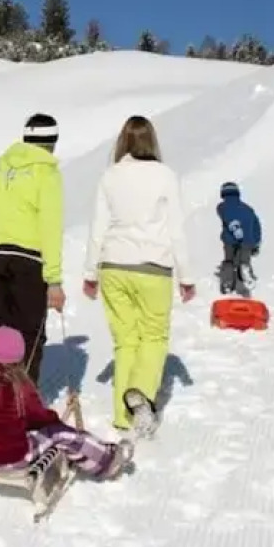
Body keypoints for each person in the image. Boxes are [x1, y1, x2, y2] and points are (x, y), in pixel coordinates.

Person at [81, 115, 195, 437]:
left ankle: (123, 416)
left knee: (126, 341)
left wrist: (90, 273)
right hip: (153, 267)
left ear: (123, 142)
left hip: (113, 266)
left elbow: (97, 228)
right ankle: (141, 392)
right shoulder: (165, 175)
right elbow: (176, 229)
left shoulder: (110, 176)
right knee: (154, 337)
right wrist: (186, 276)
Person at [0, 326, 132, 479]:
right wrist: (52, 422)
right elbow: (38, 418)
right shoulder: (21, 386)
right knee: (63, 435)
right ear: (19, 356)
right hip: (15, 456)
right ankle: (108, 460)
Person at [0, 112, 66, 401]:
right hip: (28, 259)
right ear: (53, 142)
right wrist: (54, 280)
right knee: (30, 332)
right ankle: (23, 401)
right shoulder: (47, 173)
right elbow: (50, 228)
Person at [216, 181, 262, 296]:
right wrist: (256, 242)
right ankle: (245, 272)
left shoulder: (222, 207)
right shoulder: (248, 208)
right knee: (244, 259)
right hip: (248, 240)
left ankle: (227, 284)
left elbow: (230, 217)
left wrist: (236, 229)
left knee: (229, 261)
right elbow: (256, 226)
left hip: (230, 240)